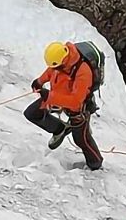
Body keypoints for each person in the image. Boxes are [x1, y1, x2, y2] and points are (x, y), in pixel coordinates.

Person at [24, 41, 103, 170]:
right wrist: (40, 81)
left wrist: (50, 96)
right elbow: (51, 70)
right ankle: (60, 129)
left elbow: (76, 101)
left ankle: (95, 163)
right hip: (58, 96)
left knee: (81, 140)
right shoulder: (62, 62)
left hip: (78, 110)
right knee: (32, 113)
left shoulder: (83, 72)